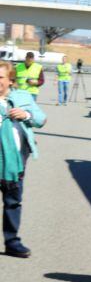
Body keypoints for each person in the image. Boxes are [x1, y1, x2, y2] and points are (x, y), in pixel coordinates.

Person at [0, 61, 46, 258]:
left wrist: (25, 114)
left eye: (0, 77)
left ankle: (12, 242)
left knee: (13, 202)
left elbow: (41, 119)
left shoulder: (23, 96)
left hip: (16, 162)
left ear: (10, 80)